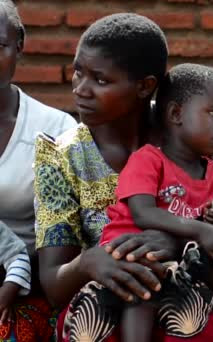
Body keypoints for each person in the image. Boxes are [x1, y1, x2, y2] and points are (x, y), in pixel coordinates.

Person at [33, 14, 213, 342]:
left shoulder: (200, 136)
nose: (81, 90)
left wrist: (180, 243)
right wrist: (88, 263)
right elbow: (53, 283)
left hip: (186, 289)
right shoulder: (62, 157)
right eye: (78, 72)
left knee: (191, 323)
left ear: (144, 86)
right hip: (106, 295)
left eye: (100, 80)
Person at [0, 0, 77, 340]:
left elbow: (67, 237)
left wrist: (13, 275)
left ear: (19, 44)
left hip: (27, 286)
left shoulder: (54, 128)